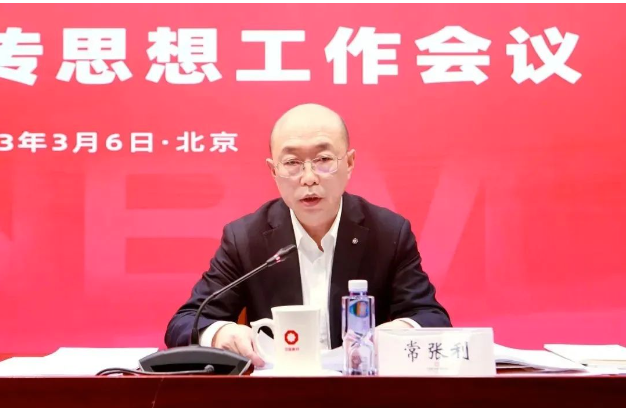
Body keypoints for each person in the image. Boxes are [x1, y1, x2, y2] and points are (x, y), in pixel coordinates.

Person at [165, 103, 451, 367]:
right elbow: (185, 323)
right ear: (273, 170)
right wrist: (220, 333)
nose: (309, 177)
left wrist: (398, 332)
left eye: (324, 159)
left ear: (349, 163)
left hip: (360, 390)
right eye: (292, 163)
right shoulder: (246, 238)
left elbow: (431, 317)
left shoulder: (387, 233)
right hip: (276, 392)